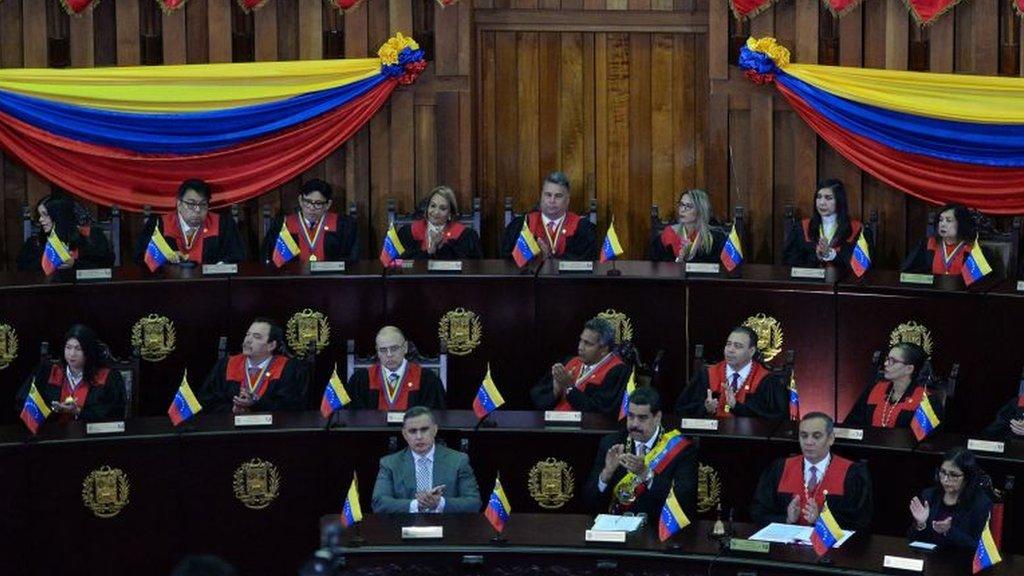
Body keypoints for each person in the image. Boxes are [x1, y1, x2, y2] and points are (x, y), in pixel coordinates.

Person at [583, 387, 699, 518]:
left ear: (657, 417)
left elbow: (684, 501)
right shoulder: (611, 443)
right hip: (617, 527)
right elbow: (589, 503)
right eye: (631, 416)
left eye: (642, 418)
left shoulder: (680, 449)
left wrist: (646, 474)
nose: (634, 424)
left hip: (657, 528)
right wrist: (606, 474)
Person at [751, 412, 873, 530]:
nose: (808, 442)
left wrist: (821, 519)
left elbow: (860, 522)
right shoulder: (780, 468)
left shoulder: (852, 472)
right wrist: (787, 519)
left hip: (833, 549)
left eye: (816, 436)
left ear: (830, 439)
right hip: (786, 548)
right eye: (804, 436)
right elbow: (758, 512)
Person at [371, 406, 482, 513]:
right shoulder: (390, 464)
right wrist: (417, 504)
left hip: (447, 527)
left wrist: (440, 503)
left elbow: (474, 503)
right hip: (405, 527)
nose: (419, 436)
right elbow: (379, 503)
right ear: (404, 434)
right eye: (412, 431)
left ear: (434, 430)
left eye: (424, 430)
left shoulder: (458, 460)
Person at [14, 324, 125, 422]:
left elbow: (114, 415)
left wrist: (78, 411)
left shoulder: (109, 378)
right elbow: (23, 402)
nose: (72, 354)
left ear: (88, 351)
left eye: (78, 349)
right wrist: (52, 410)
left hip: (90, 440)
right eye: (68, 347)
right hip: (52, 437)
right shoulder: (47, 373)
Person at [674, 326, 788, 420]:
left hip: (750, 443)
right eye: (728, 344)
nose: (730, 350)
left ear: (751, 351)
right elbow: (680, 409)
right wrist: (704, 408)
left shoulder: (767, 380)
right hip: (710, 442)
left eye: (738, 346)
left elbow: (777, 419)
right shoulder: (706, 374)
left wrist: (737, 407)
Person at [199, 318, 306, 414]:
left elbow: (292, 407)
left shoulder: (288, 368)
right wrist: (232, 409)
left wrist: (256, 403)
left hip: (271, 432)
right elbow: (206, 401)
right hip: (231, 430)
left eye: (256, 337)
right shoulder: (226, 365)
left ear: (271, 345)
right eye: (247, 335)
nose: (248, 340)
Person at [530, 317, 631, 417]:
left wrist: (569, 387)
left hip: (585, 431)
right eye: (581, 341)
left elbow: (601, 411)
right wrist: (555, 392)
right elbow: (537, 397)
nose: (580, 347)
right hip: (552, 425)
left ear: (604, 349)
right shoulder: (570, 362)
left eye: (588, 344)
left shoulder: (617, 370)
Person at [133, 178, 246, 267]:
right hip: (170, 287)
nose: (197, 210)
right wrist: (165, 257)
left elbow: (236, 258)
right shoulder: (159, 224)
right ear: (179, 204)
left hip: (210, 288)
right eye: (191, 204)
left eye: (202, 204)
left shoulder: (223, 224)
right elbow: (140, 258)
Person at [843, 342, 943, 430]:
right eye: (887, 359)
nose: (886, 364)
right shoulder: (874, 389)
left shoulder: (926, 400)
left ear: (909, 369)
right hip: (870, 449)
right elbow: (852, 426)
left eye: (893, 361)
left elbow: (926, 443)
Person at [500, 171, 597, 261]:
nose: (552, 201)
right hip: (531, 279)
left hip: (566, 280)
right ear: (541, 197)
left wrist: (550, 258)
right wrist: (532, 254)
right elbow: (507, 259)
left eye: (558, 196)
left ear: (567, 200)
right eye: (548, 195)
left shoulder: (582, 228)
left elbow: (584, 262)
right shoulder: (523, 224)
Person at [908, 448, 993, 549]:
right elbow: (911, 540)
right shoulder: (929, 495)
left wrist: (949, 531)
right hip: (929, 559)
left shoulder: (980, 504)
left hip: (959, 562)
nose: (945, 479)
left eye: (953, 475)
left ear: (967, 477)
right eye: (943, 472)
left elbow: (979, 548)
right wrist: (921, 524)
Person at [347, 326, 446, 411]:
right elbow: (352, 419)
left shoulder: (427, 380)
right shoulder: (361, 380)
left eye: (394, 348)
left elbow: (435, 419)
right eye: (383, 350)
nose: (389, 355)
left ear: (405, 348)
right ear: (377, 351)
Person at [260, 178, 358, 263]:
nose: (311, 208)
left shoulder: (344, 226)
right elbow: (269, 259)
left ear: (328, 205)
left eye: (318, 203)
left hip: (332, 282)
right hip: (293, 282)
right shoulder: (284, 225)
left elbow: (351, 261)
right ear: (300, 200)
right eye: (307, 202)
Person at [16, 193, 114, 272]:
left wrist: (74, 264)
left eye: (45, 215)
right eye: (40, 215)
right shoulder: (35, 242)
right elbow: (22, 268)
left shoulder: (92, 237)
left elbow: (106, 266)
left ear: (60, 216)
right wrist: (52, 261)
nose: (40, 220)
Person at [782, 179, 864, 271]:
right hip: (808, 283)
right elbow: (788, 261)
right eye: (819, 197)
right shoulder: (802, 228)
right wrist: (816, 256)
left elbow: (861, 265)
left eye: (828, 198)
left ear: (839, 201)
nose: (822, 203)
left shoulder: (856, 230)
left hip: (843, 283)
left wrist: (831, 255)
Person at [901, 203, 999, 276]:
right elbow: (906, 273)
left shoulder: (973, 251)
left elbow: (981, 285)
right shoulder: (927, 246)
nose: (942, 224)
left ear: (961, 224)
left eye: (948, 220)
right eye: (940, 220)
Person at [395, 185, 482, 260]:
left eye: (442, 208)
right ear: (427, 208)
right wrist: (429, 251)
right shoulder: (407, 232)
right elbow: (399, 263)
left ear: (450, 213)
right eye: (433, 206)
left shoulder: (467, 235)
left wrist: (442, 248)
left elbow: (473, 266)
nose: (436, 212)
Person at [650, 189, 725, 263]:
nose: (682, 209)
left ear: (700, 210)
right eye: (682, 204)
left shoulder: (715, 238)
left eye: (688, 206)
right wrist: (679, 259)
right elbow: (655, 264)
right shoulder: (669, 234)